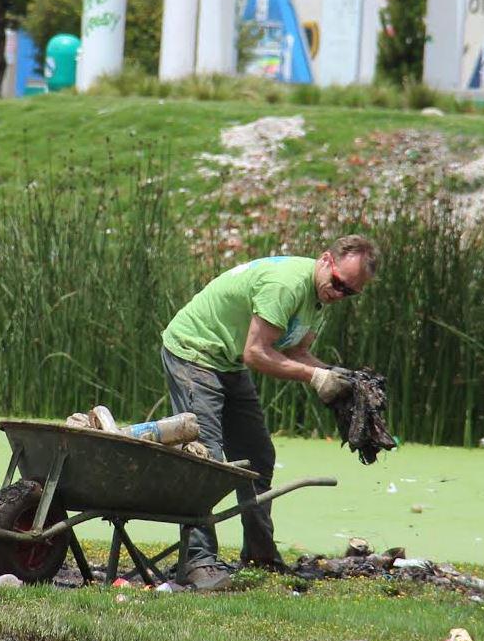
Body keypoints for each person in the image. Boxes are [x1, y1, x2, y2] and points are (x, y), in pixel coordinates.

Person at [160, 235, 378, 590]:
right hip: (193, 351)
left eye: (349, 292)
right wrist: (315, 377)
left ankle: (260, 554)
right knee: (206, 460)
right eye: (337, 283)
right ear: (325, 260)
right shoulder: (287, 286)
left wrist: (343, 380)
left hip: (226, 361)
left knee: (258, 455)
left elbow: (296, 352)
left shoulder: (317, 300)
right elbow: (256, 353)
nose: (338, 294)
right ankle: (197, 562)